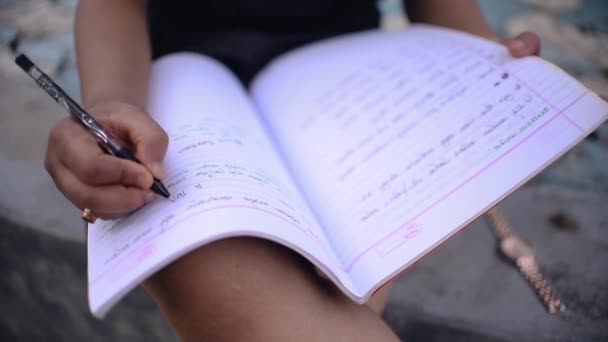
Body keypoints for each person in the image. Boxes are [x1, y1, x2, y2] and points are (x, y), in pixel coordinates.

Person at [44, 0, 540, 340]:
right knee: (222, 278)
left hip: (352, 96)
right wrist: (111, 103)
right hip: (181, 91)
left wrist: (487, 61)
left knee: (335, 278)